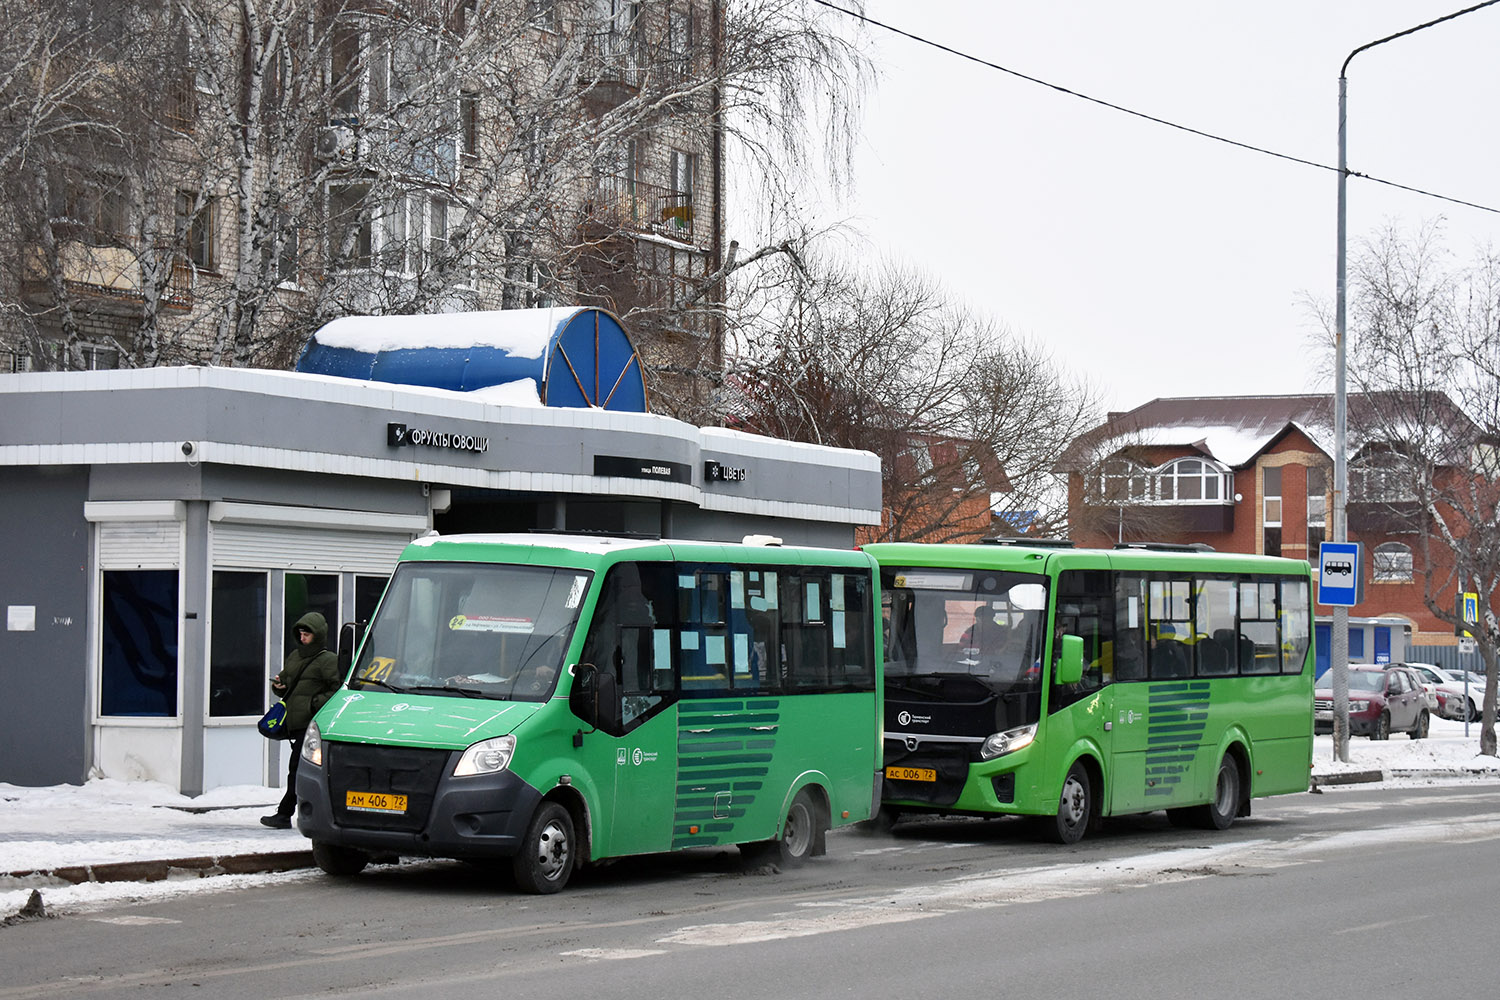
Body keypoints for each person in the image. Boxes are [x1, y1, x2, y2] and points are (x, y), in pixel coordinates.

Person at [261, 612, 343, 829]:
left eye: (307, 633)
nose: (303, 637)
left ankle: (284, 813)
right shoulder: (295, 656)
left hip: (312, 724)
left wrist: (315, 703)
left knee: (297, 768)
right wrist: (278, 687)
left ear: (318, 635)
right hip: (295, 723)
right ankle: (290, 812)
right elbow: (287, 682)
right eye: (301, 633)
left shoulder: (328, 660)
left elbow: (338, 689)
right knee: (298, 769)